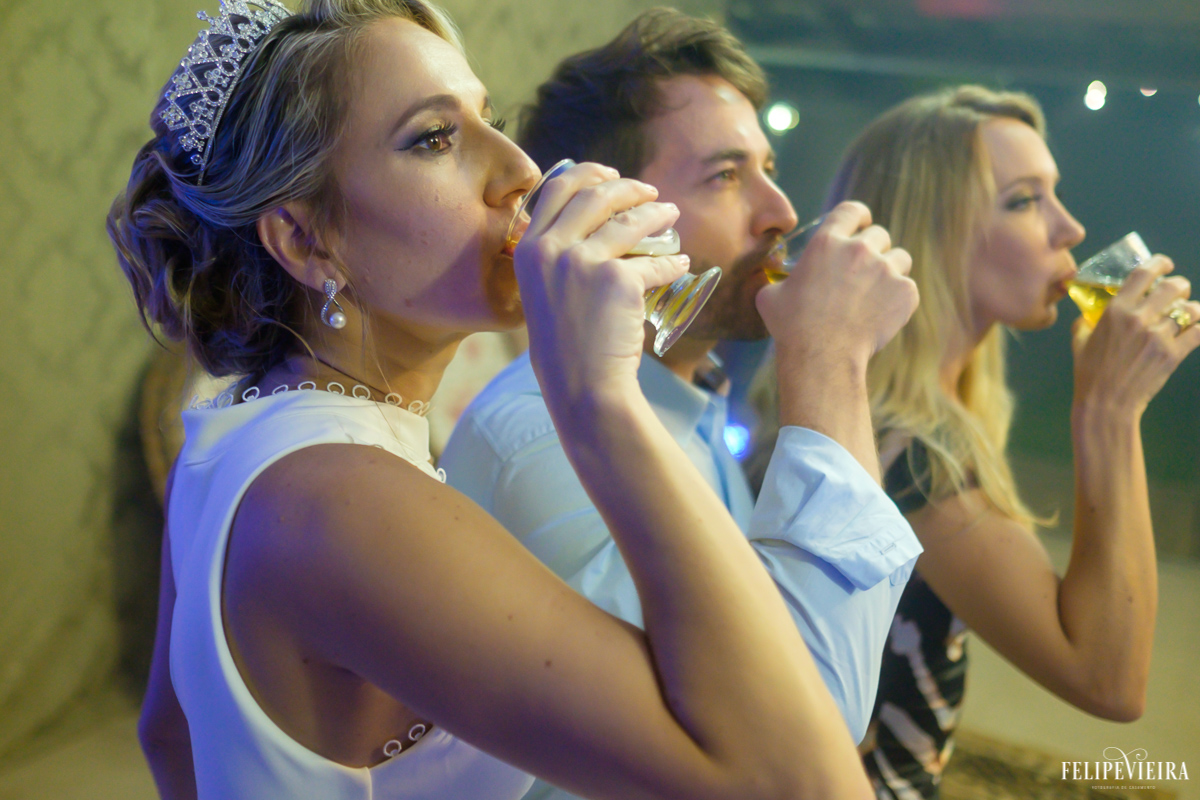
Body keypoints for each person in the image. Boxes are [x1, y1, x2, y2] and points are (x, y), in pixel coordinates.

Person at [107, 0, 916, 798]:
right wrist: (598, 400)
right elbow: (802, 782)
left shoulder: (235, 434)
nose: (522, 171)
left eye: (487, 117)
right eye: (434, 138)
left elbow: (170, 738)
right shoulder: (347, 501)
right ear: (307, 239)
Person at [440, 13, 922, 797]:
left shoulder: (687, 406)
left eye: (766, 167)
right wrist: (829, 359)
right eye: (727, 176)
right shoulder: (545, 436)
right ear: (609, 216)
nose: (781, 212)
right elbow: (811, 736)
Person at [797, 85, 1198, 798]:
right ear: (933, 231)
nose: (1070, 228)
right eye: (1023, 200)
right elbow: (1109, 678)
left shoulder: (901, 421)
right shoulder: (909, 455)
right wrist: (1110, 411)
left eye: (1056, 194)